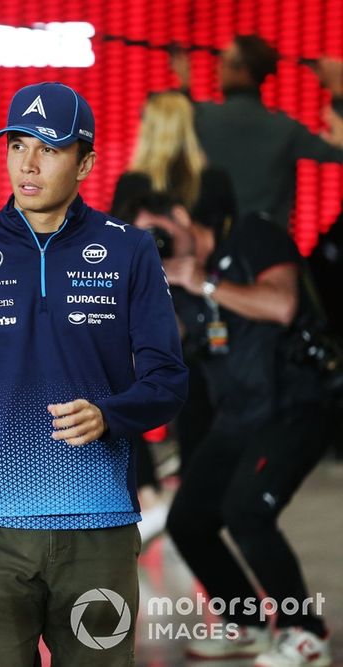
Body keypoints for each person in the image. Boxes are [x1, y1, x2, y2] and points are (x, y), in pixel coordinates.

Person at [0, 81, 188, 666]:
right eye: (16, 144)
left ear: (86, 163)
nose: (27, 163)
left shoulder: (130, 250)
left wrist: (110, 414)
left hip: (100, 534)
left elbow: (168, 382)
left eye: (49, 148)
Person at [132, 199, 333, 666]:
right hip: (239, 417)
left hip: (294, 408)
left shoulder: (250, 236)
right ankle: (249, 624)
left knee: (246, 512)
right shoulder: (173, 287)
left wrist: (199, 278)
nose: (157, 246)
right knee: (188, 521)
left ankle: (308, 631)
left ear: (181, 216)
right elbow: (156, 347)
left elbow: (282, 305)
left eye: (158, 233)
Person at [110, 90, 238, 541]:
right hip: (197, 307)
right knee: (195, 400)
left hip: (150, 303)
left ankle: (152, 495)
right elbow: (225, 252)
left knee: (121, 393)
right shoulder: (214, 181)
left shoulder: (132, 185)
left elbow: (114, 250)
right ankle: (191, 504)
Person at [173, 35, 343, 229]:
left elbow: (169, 129)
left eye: (224, 61)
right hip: (267, 247)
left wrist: (184, 89)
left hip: (209, 243)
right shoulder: (285, 128)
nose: (217, 67)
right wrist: (338, 90)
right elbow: (337, 150)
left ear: (244, 71)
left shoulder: (201, 117)